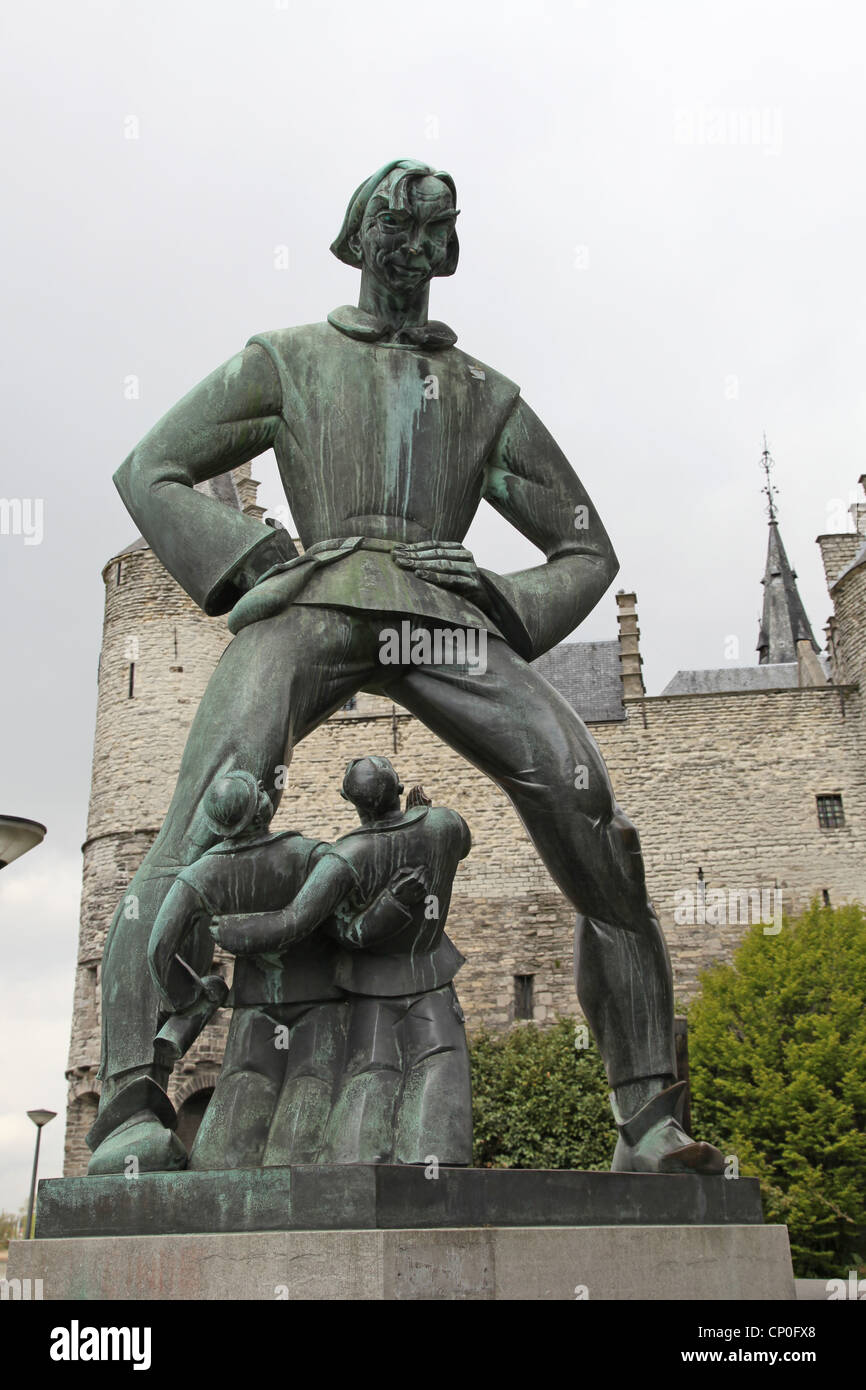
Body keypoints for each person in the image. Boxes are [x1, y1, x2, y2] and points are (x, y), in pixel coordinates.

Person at [89, 158, 723, 1177]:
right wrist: (260, 567)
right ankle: (128, 1102)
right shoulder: (287, 360)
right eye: (402, 227)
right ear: (362, 236)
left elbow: (583, 547)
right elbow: (150, 467)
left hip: (436, 621)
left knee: (587, 805)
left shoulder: (482, 394)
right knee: (209, 809)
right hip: (316, 608)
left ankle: (646, 1117)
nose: (419, 249)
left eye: (438, 232)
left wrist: (497, 595)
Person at [201, 757, 472, 1168]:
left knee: (371, 1074)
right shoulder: (445, 825)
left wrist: (235, 932)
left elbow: (303, 923)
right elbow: (462, 845)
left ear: (349, 801)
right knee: (439, 1064)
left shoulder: (346, 855)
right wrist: (422, 814)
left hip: (371, 988)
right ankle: (436, 1163)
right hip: (432, 976)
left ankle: (355, 1162)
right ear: (399, 789)